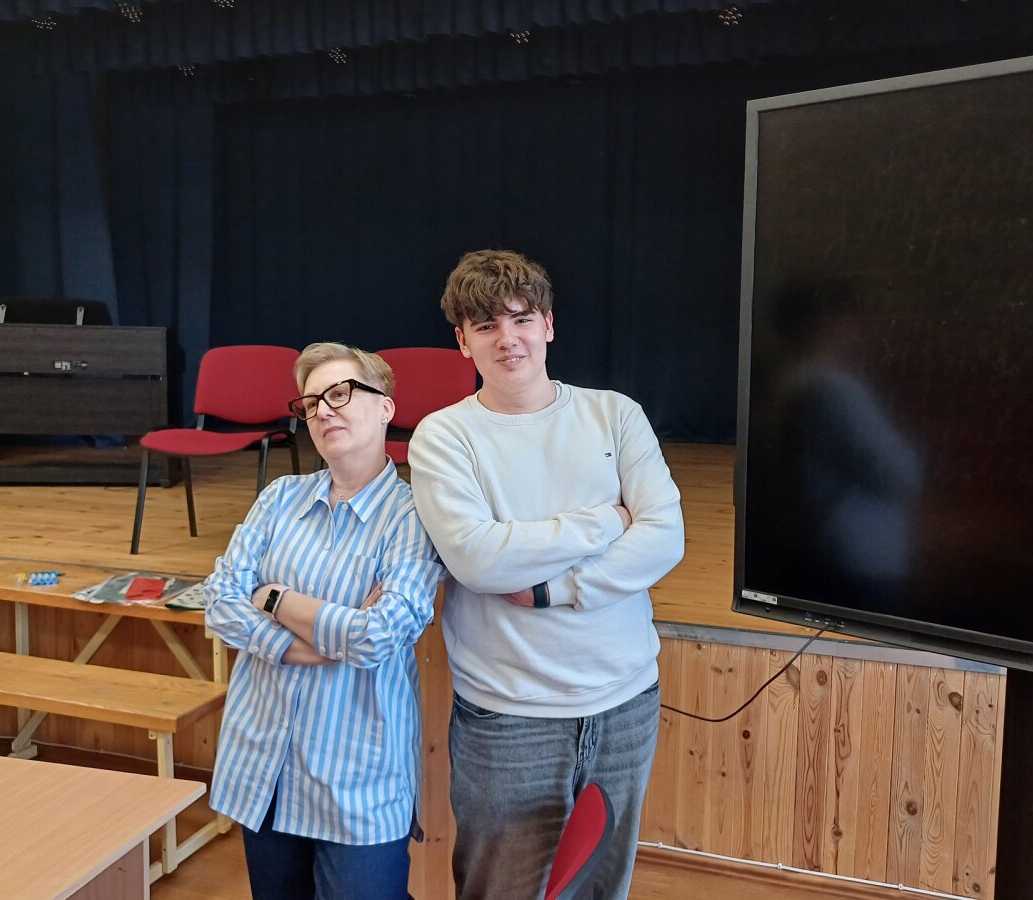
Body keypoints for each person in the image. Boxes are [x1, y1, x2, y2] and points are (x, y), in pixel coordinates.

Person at [407, 249, 685, 899]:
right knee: (497, 891)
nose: (508, 339)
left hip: (626, 705)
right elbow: (478, 558)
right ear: (462, 342)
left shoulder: (615, 415)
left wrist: (555, 589)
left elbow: (664, 536)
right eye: (486, 325)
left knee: (600, 889)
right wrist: (606, 521)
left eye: (522, 319)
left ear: (549, 325)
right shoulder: (444, 437)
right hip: (509, 718)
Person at [203, 342, 445, 900]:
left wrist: (273, 598)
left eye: (340, 394)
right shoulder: (278, 498)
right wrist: (309, 645)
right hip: (264, 767)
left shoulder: (413, 515)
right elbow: (218, 601)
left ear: (386, 407)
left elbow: (379, 636)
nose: (323, 411)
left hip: (358, 783)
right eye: (311, 404)